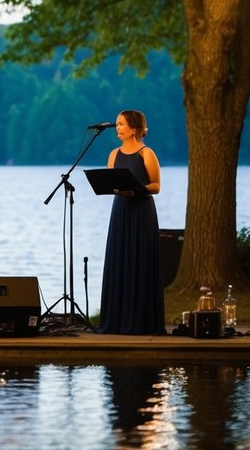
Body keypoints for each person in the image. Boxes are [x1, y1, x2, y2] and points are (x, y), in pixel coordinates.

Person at [98, 109, 166, 335]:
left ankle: (139, 321)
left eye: (121, 124)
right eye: (116, 124)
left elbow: (156, 185)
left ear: (134, 129)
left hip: (141, 211)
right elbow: (110, 182)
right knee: (120, 260)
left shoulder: (147, 154)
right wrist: (115, 188)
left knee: (139, 261)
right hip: (120, 210)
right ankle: (116, 320)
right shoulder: (113, 154)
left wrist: (136, 189)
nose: (117, 128)